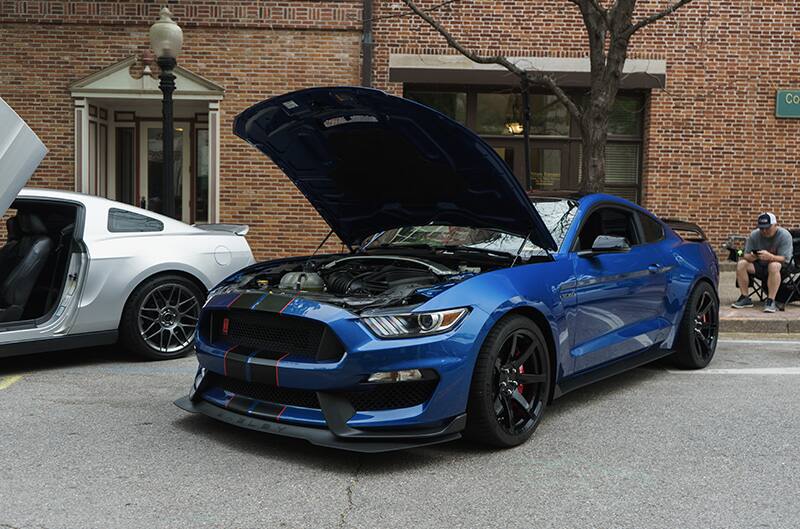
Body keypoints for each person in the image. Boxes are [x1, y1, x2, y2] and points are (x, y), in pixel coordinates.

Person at [732, 212, 793, 313]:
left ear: (775, 225)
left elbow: (785, 259)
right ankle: (745, 297)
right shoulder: (754, 235)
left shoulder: (784, 235)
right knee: (741, 264)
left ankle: (770, 301)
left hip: (782, 268)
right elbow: (745, 254)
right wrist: (753, 256)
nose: (764, 231)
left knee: (773, 265)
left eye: (767, 228)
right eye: (761, 228)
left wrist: (771, 257)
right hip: (760, 265)